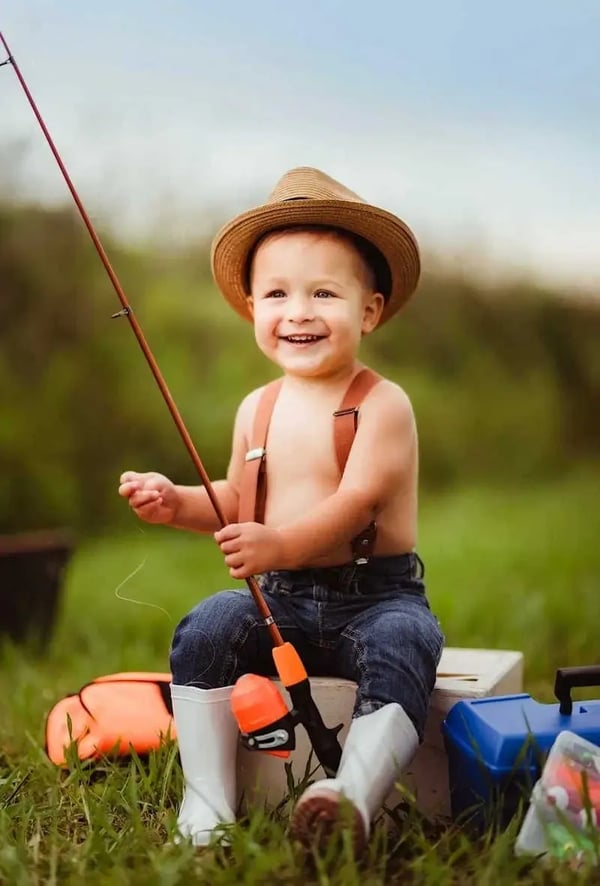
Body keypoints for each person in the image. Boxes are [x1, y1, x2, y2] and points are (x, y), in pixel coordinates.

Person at [118, 167, 444, 852]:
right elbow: (239, 498)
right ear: (253, 311)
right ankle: (207, 799)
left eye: (323, 292)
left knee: (405, 645)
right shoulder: (257, 408)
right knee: (207, 627)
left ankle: (348, 794)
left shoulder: (384, 404)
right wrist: (176, 501)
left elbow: (358, 504)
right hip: (282, 600)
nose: (297, 311)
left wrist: (280, 547)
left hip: (375, 597)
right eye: (277, 294)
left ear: (370, 310)